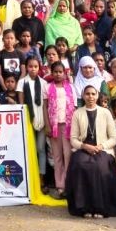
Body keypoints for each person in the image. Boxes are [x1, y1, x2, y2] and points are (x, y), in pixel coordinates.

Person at [65, 84, 116, 218]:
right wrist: (84, 146)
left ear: (97, 96)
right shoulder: (77, 113)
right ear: (83, 96)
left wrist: (101, 146)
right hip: (84, 148)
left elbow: (114, 138)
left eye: (93, 94)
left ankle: (100, 208)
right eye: (87, 94)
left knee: (99, 167)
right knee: (80, 164)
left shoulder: (105, 112)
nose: (90, 97)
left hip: (103, 149)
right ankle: (84, 208)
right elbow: (73, 139)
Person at [45, 61, 75, 198]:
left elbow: (75, 107)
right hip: (54, 125)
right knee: (57, 157)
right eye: (55, 72)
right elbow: (45, 107)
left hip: (68, 126)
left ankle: (69, 184)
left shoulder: (71, 87)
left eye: (60, 72)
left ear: (64, 73)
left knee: (68, 155)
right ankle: (60, 186)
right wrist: (47, 125)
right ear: (52, 73)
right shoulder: (47, 87)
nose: (58, 74)